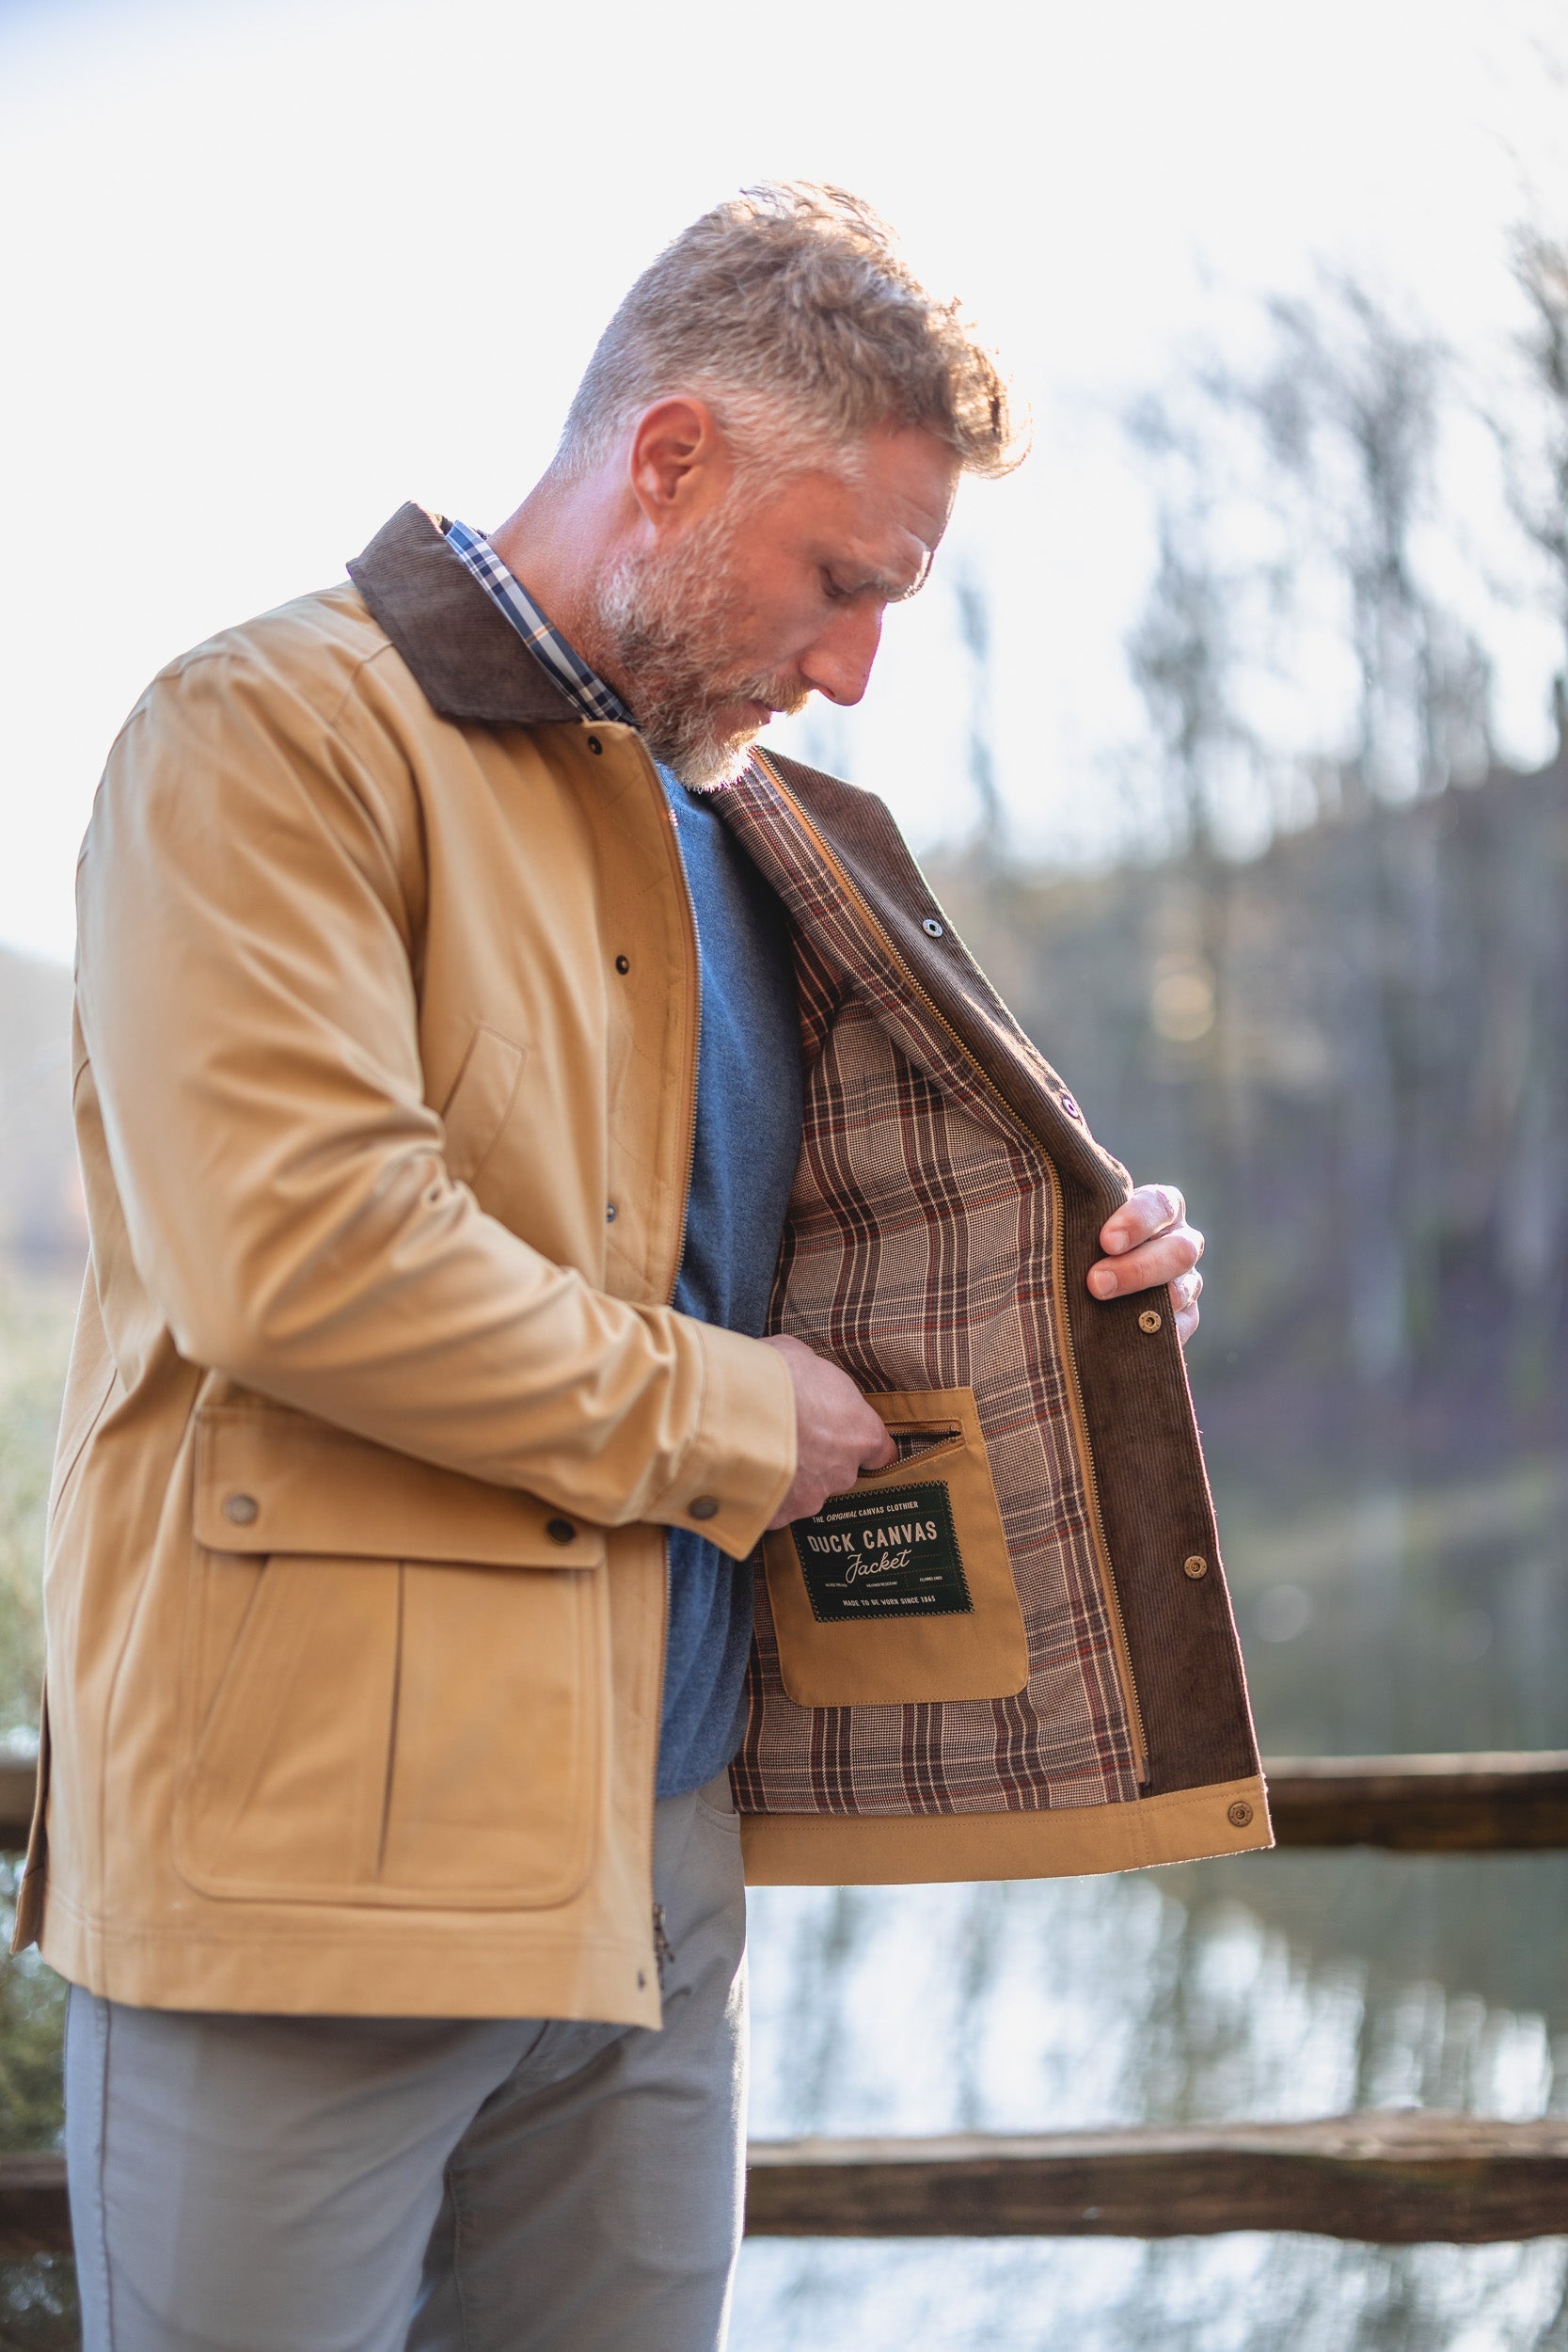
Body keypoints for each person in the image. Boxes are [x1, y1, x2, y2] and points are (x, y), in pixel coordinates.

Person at [18, 184, 1267, 2352]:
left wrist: (1084, 1293)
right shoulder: (261, 734)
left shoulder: (770, 832)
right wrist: (728, 1414)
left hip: (665, 1876)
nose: (858, 662)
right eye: (840, 578)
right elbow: (300, 1252)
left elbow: (790, 1277)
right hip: (315, 1885)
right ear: (670, 458)